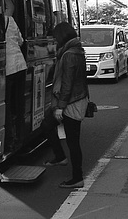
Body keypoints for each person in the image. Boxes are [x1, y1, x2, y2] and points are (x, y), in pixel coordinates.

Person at [42, 22, 88, 189]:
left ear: (62, 37)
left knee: (73, 141)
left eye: (55, 38)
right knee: (47, 124)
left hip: (71, 103)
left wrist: (61, 107)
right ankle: (60, 157)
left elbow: (67, 83)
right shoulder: (76, 50)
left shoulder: (69, 54)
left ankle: (77, 177)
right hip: (74, 99)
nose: (54, 41)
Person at [3, 0, 27, 149]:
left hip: (7, 68)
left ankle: (9, 139)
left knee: (7, 104)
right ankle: (20, 138)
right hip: (20, 64)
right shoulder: (10, 20)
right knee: (18, 104)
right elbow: (21, 41)